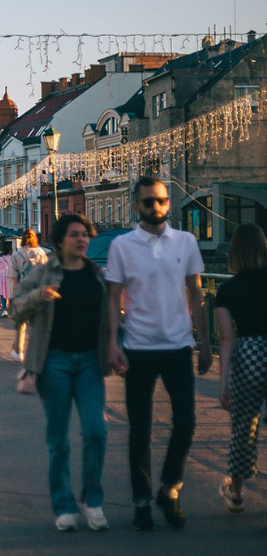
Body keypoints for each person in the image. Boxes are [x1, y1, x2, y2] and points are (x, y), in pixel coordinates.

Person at [106, 176, 212, 531]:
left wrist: (205, 341)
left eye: (162, 201)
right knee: (140, 428)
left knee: (185, 421)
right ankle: (141, 501)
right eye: (149, 202)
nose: (157, 207)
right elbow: (113, 298)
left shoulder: (186, 241)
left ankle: (170, 489)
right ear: (136, 206)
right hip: (138, 347)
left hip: (179, 346)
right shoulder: (122, 246)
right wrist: (111, 344)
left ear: (169, 203)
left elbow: (196, 294)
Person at [13, 214, 110, 531]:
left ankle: (92, 500)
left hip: (89, 363)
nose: (82, 240)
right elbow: (15, 306)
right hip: (53, 361)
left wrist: (117, 346)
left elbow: (111, 318)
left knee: (96, 430)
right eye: (75, 235)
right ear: (59, 240)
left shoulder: (97, 275)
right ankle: (64, 506)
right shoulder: (43, 272)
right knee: (59, 439)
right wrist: (37, 296)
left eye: (86, 234)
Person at [213, 222, 267, 515]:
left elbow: (225, 338)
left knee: (244, 427)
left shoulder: (227, 290)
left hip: (248, 355)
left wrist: (223, 384)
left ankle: (235, 491)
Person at [10, 230, 48, 360]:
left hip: (22, 291)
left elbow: (14, 278)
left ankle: (18, 351)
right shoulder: (41, 253)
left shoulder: (16, 254)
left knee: (21, 322)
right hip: (37, 291)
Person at [0, 242, 14, 317]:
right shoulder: (12, 258)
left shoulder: (0, 259)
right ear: (10, 251)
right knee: (10, 293)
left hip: (2, 276)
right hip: (10, 275)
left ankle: (4, 310)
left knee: (2, 293)